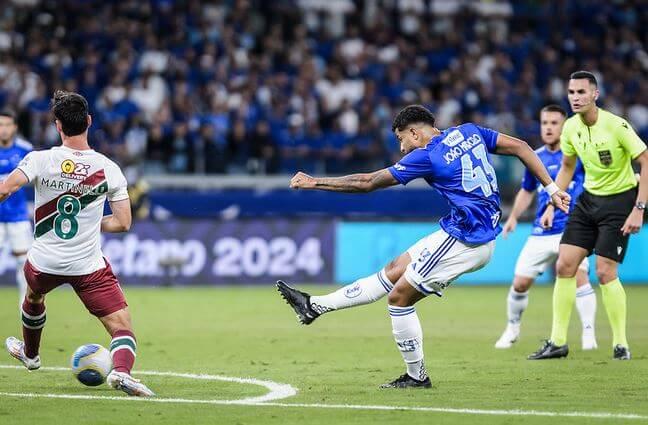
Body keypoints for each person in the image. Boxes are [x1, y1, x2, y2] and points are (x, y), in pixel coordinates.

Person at [277, 105, 571, 388]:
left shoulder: (427, 156)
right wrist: (553, 188)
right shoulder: (469, 132)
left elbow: (367, 182)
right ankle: (314, 306)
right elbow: (521, 146)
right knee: (393, 270)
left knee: (399, 298)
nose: (402, 148)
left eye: (401, 139)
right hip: (461, 230)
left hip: (466, 240)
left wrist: (315, 182)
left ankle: (416, 376)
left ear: (415, 133)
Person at [1, 90, 154, 396]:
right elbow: (123, 223)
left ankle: (31, 355)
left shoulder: (38, 159)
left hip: (44, 262)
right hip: (87, 266)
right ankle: (121, 372)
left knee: (33, 296)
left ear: (57, 125)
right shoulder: (108, 168)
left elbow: (5, 189)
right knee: (122, 327)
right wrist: (90, 222)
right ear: (88, 121)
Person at [528, 71, 648, 361]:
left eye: (582, 92)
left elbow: (645, 161)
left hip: (620, 202)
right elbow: (567, 167)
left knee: (605, 272)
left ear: (595, 94)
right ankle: (557, 342)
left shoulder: (616, 125)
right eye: (571, 92)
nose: (575, 97)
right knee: (565, 265)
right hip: (588, 200)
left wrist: (639, 208)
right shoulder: (570, 128)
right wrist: (551, 203)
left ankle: (620, 344)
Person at [495, 105, 597, 350]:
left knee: (580, 277)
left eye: (554, 123)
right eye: (544, 123)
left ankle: (588, 335)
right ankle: (512, 329)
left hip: (572, 227)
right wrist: (513, 217)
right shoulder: (535, 156)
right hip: (541, 229)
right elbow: (527, 190)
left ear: (564, 126)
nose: (548, 128)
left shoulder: (577, 156)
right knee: (519, 284)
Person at [0, 110, 33, 305]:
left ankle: (26, 311)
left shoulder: (25, 150)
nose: (3, 129)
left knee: (24, 266)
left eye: (7, 125)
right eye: (0, 125)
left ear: (15, 128)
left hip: (18, 217)